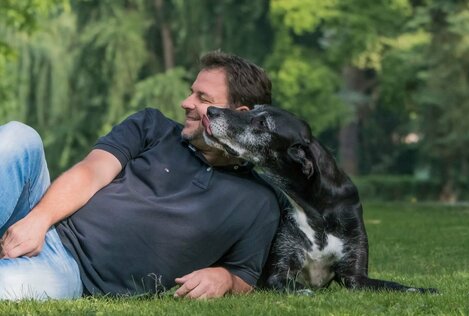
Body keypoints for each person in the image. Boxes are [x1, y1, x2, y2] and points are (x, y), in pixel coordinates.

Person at [0, 51, 280, 300]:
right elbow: (92, 171)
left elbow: (245, 274)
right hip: (44, 220)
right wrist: (39, 220)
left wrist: (225, 278)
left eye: (202, 98)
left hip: (70, 270)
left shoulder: (258, 202)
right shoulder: (153, 126)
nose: (185, 102)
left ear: (240, 116)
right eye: (191, 92)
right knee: (19, 136)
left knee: (7, 284)